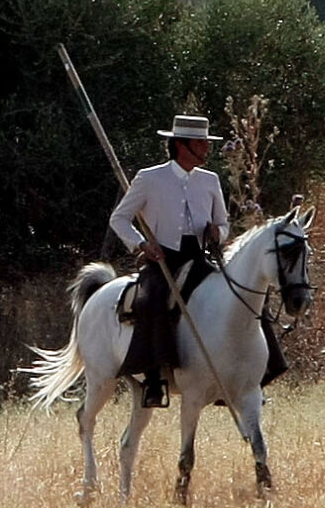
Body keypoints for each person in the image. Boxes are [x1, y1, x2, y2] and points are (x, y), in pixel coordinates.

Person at [107, 114, 284, 407]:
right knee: (153, 300)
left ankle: (258, 373)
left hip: (200, 259)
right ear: (181, 146)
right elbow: (119, 219)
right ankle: (154, 378)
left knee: (246, 298)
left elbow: (223, 224)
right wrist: (141, 245)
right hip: (162, 259)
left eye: (206, 143)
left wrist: (219, 231)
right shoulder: (149, 178)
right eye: (200, 143)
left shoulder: (210, 180)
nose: (206, 149)